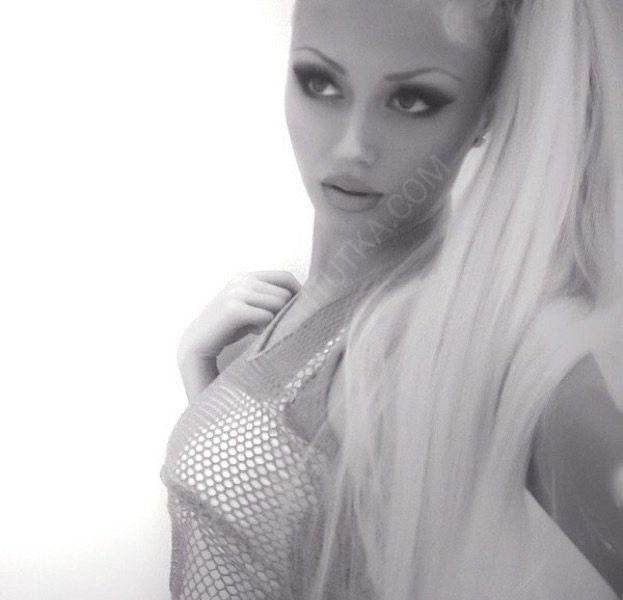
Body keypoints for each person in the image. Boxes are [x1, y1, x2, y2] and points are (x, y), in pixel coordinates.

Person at [161, 0, 623, 598]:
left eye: (412, 100)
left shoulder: (482, 341)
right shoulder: (282, 316)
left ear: (487, 112)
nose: (352, 146)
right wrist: (202, 377)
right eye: (320, 82)